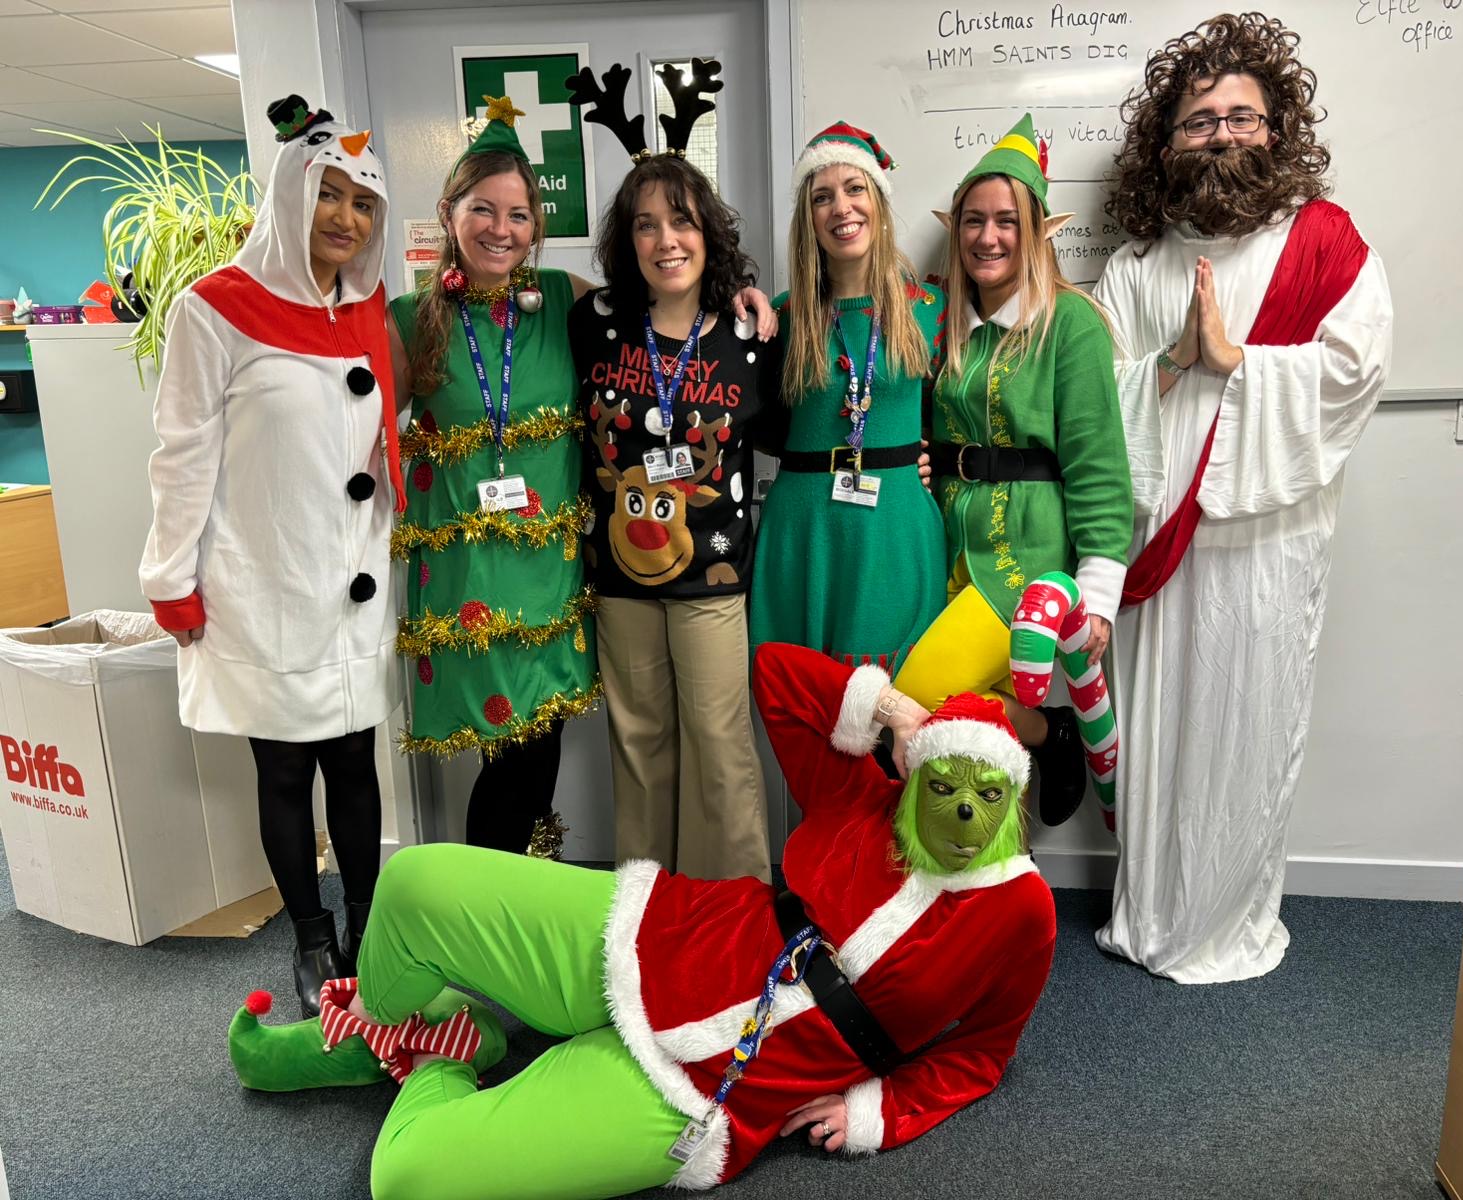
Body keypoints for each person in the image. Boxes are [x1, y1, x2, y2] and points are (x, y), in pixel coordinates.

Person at [227, 641, 1055, 1200]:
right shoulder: (863, 799)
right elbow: (775, 673)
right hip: (654, 934)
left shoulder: (1023, 912)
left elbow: (982, 1054)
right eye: (944, 785)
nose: (963, 813)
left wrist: (881, 1110)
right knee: (412, 883)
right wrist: (898, 714)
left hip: (707, 1092)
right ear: (915, 777)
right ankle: (381, 1020)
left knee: (407, 1175)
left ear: (1013, 799)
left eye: (988, 795)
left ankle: (442, 1049)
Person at [1093, 13, 1393, 983]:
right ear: (1166, 141)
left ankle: (1229, 924)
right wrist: (1174, 361)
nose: (1221, 134)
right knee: (1155, 740)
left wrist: (1240, 364)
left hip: (1268, 542)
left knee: (1248, 734)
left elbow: (1356, 372)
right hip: (1157, 543)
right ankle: (1148, 916)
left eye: (1240, 117)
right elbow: (1095, 402)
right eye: (1198, 120)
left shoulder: (1323, 242)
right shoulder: (1135, 266)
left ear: (1275, 127)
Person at [139, 94, 401, 1015]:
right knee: (286, 768)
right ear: (291, 193)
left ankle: (370, 924)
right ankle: (312, 936)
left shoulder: (366, 307)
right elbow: (181, 454)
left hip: (353, 583)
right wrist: (171, 579)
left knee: (355, 761)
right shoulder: (213, 309)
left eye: (362, 203)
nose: (345, 218)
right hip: (263, 580)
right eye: (329, 194)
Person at [566, 60, 782, 881]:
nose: (667, 241)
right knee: (639, 745)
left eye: (683, 222)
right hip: (620, 578)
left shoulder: (749, 331)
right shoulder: (593, 322)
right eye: (647, 225)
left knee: (720, 747)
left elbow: (794, 430)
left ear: (709, 233)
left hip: (714, 577)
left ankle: (733, 916)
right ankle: (645, 913)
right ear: (627, 241)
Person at [894, 115, 1134, 827]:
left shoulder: (1071, 322)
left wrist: (1099, 591)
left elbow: (1098, 463)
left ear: (1034, 233)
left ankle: (1050, 732)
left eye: (1006, 221)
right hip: (949, 547)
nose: (988, 237)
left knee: (919, 694)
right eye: (974, 220)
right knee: (970, 753)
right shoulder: (944, 322)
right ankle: (994, 863)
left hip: (1026, 558)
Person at [388, 98, 600, 859]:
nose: (500, 229)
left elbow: (662, 325)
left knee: (539, 744)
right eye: (483, 209)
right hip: (468, 576)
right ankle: (493, 892)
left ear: (536, 225)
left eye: (518, 214)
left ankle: (516, 882)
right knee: (506, 750)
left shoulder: (567, 301)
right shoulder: (411, 318)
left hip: (550, 572)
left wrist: (743, 298)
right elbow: (359, 432)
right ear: (450, 213)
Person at [748, 122, 947, 675]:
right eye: (822, 196)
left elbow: (964, 409)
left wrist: (934, 456)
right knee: (807, 701)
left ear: (878, 202)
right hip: (804, 534)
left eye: (855, 189)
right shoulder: (781, 317)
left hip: (895, 531)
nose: (841, 207)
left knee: (902, 703)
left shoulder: (932, 308)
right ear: (808, 218)